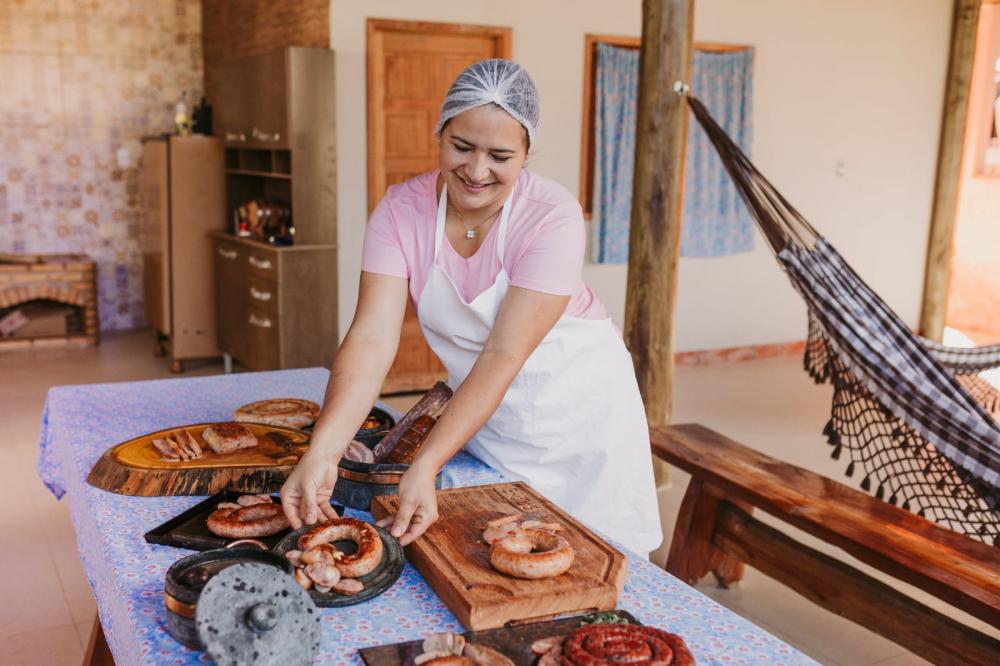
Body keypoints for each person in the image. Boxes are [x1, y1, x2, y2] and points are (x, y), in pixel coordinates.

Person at [281, 59, 661, 555]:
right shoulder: (400, 211)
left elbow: (504, 353)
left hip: (582, 419)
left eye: (500, 155)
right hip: (485, 418)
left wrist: (428, 462)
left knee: (598, 561)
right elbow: (371, 339)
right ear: (440, 133)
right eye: (461, 147)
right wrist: (323, 451)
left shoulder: (552, 216)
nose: (477, 171)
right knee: (491, 552)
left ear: (526, 154)